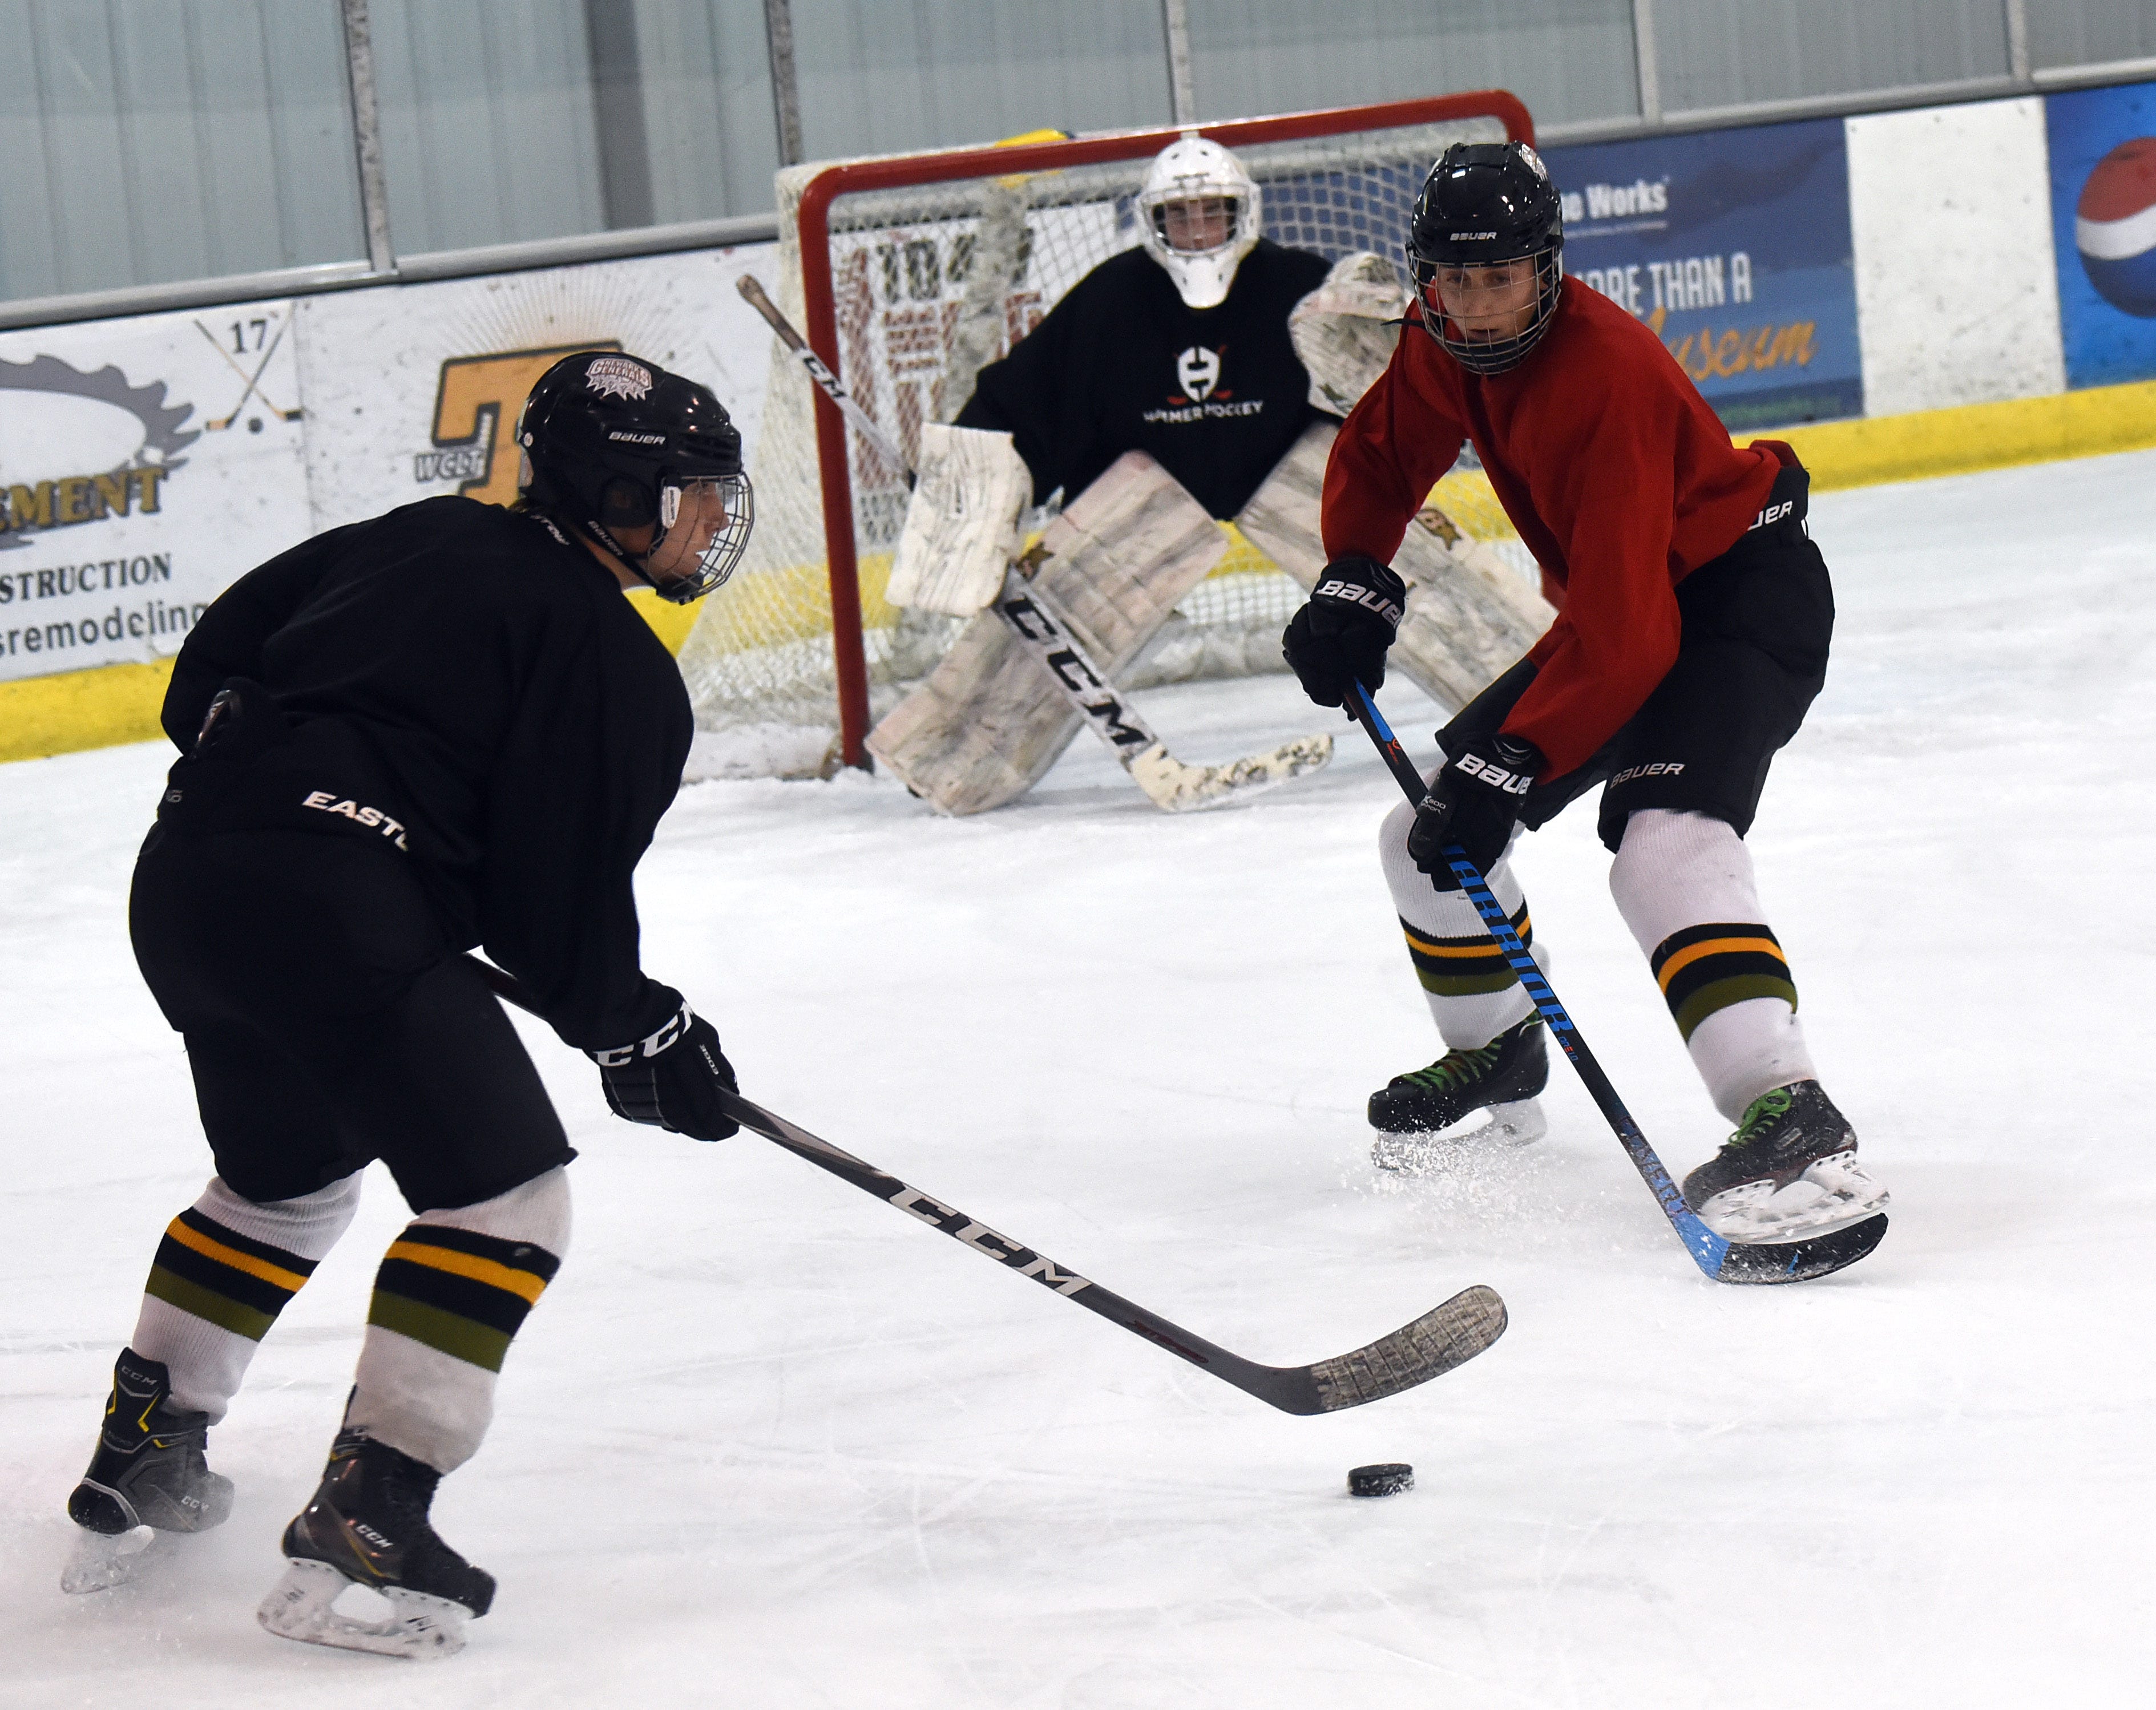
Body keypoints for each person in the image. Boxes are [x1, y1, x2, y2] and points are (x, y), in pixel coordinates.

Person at [60, 350, 755, 1657]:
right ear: (622, 494)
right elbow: (553, 917)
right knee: (508, 1204)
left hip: (188, 883)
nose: (714, 523)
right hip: (328, 911)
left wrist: (287, 797)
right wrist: (640, 1034)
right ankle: (372, 1510)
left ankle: (146, 1445)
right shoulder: (614, 666)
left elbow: (205, 669)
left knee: (284, 1182)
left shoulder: (419, 535)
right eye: (694, 496)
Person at [1282, 142, 1889, 1243]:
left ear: (1547, 268)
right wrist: (1355, 575)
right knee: (1416, 829)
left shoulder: (1602, 373)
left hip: (1734, 603)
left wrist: (1511, 761)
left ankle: (1788, 1111)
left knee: (1661, 847)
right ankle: (1497, 1048)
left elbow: (1629, 636)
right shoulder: (1444, 343)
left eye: (1497, 278)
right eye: (1450, 282)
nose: (1471, 307)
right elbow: (1378, 463)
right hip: (1629, 614)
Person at [952, 131, 1334, 520]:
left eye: (1212, 211)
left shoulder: (1299, 287)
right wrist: (963, 482)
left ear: (1242, 211)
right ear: (1154, 219)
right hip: (1136, 523)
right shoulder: (1108, 300)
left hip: (1293, 507)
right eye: (1180, 214)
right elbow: (1031, 396)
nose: (1198, 231)